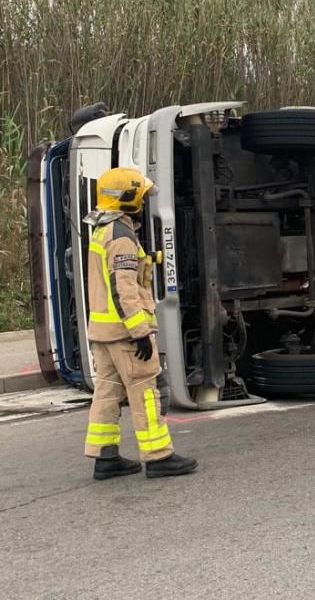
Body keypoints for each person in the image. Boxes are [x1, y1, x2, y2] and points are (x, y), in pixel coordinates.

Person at [83, 167, 197, 479]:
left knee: (107, 393)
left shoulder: (102, 229)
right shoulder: (121, 236)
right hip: (124, 334)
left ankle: (105, 458)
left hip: (103, 332)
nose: (145, 202)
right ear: (129, 197)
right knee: (147, 392)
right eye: (142, 196)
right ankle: (159, 457)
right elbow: (124, 289)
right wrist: (140, 332)